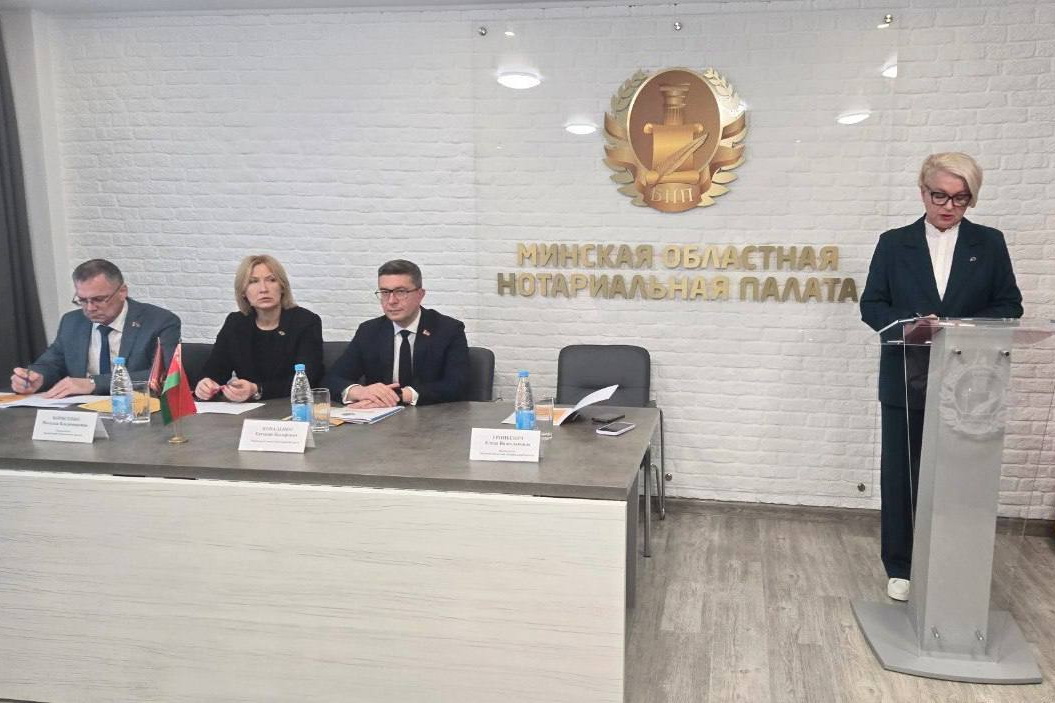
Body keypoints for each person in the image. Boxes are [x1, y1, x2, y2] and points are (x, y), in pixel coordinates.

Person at [860, 152, 1023, 602]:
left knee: (960, 475)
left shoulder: (989, 243)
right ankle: (901, 566)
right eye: (940, 196)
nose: (949, 206)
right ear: (923, 192)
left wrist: (958, 327)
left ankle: (953, 562)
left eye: (961, 198)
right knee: (902, 474)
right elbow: (872, 305)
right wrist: (911, 324)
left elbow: (1009, 304)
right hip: (906, 376)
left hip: (971, 380)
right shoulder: (894, 243)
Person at [10, 259, 181, 398]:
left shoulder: (159, 321)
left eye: (98, 299)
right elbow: (52, 363)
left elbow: (165, 374)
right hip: (80, 413)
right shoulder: (72, 322)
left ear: (122, 292)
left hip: (136, 411)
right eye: (83, 300)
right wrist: (37, 378)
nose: (90, 308)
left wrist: (94, 383)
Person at [324, 259, 468, 407]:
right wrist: (360, 392)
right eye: (385, 292)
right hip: (378, 417)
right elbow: (332, 379)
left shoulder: (448, 330)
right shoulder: (369, 331)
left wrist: (398, 396)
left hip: (431, 416)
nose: (391, 301)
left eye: (400, 292)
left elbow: (456, 385)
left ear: (420, 294)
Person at [194, 255, 323, 402]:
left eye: (271, 280)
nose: (263, 289)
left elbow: (307, 379)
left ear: (282, 287)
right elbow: (215, 370)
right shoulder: (235, 323)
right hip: (247, 409)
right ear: (243, 292)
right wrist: (205, 385)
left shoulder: (305, 321)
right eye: (253, 282)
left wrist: (257, 389)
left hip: (293, 405)